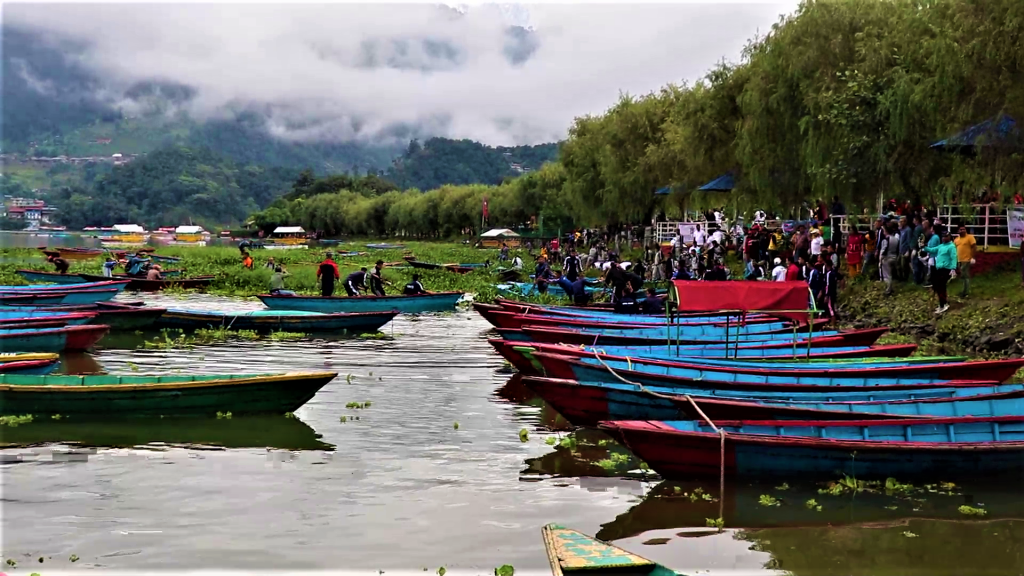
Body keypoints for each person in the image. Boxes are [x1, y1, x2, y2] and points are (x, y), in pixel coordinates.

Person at [922, 232, 957, 314]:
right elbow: (932, 250)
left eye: (946, 237)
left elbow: (954, 257)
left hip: (946, 269)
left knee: (941, 287)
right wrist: (924, 247)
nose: (944, 238)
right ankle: (942, 304)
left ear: (949, 237)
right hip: (939, 269)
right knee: (938, 287)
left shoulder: (951, 247)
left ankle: (943, 304)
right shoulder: (941, 246)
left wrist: (953, 269)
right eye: (943, 237)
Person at [954, 224, 977, 297]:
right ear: (958, 231)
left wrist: (972, 257)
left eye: (963, 229)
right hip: (959, 260)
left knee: (965, 275)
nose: (962, 231)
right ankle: (964, 290)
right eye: (960, 229)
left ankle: (965, 292)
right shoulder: (956, 239)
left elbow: (974, 247)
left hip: (967, 259)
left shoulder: (970, 237)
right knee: (962, 275)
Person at [880, 225, 899, 296]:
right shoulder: (896, 239)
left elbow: (883, 250)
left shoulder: (886, 240)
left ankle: (888, 290)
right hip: (894, 257)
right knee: (891, 274)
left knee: (887, 275)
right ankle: (890, 288)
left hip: (887, 258)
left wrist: (881, 258)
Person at [822, 258, 839, 328]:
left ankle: (833, 323)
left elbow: (828, 285)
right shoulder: (834, 272)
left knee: (830, 307)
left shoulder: (829, 274)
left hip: (830, 293)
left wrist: (826, 295)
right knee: (832, 306)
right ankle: (832, 321)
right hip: (834, 292)